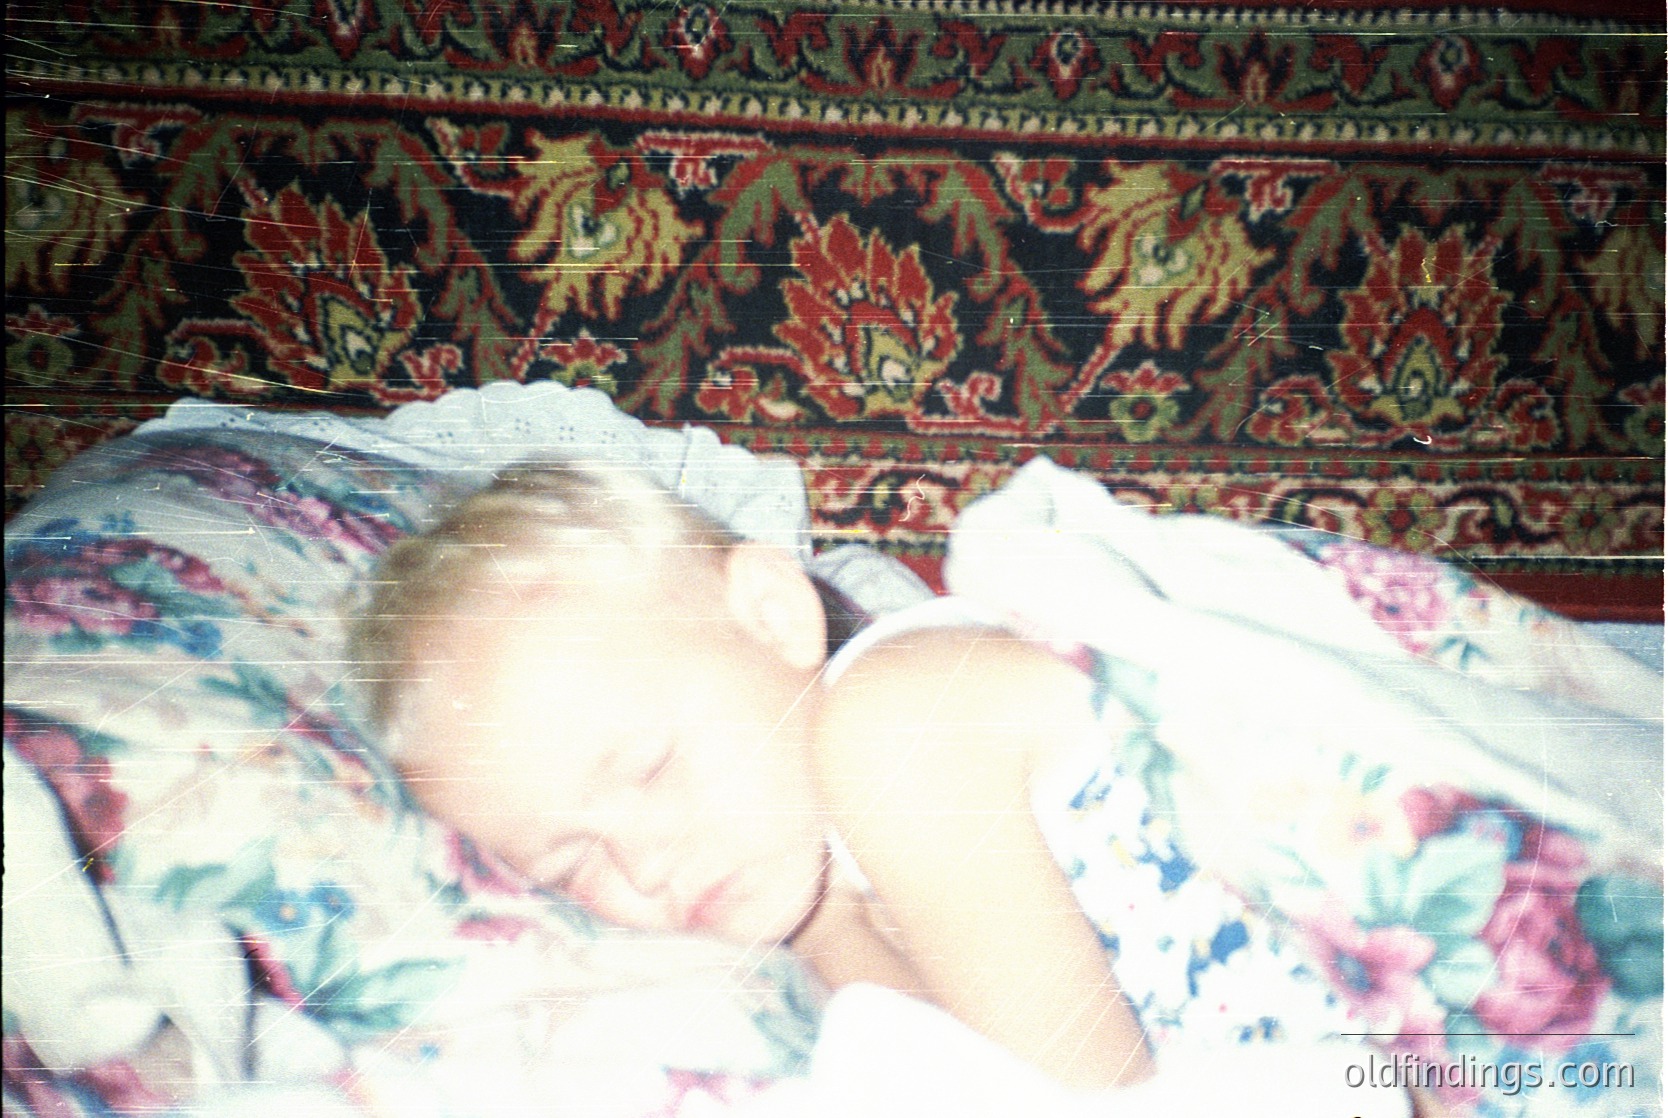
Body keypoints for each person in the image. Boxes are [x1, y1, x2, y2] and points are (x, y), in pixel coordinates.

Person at [346, 458, 1358, 1094]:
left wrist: (832, 934)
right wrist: (828, 927)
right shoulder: (820, 878)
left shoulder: (896, 721)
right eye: (572, 865)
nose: (645, 867)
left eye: (650, 765)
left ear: (776, 615)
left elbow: (1067, 1090)